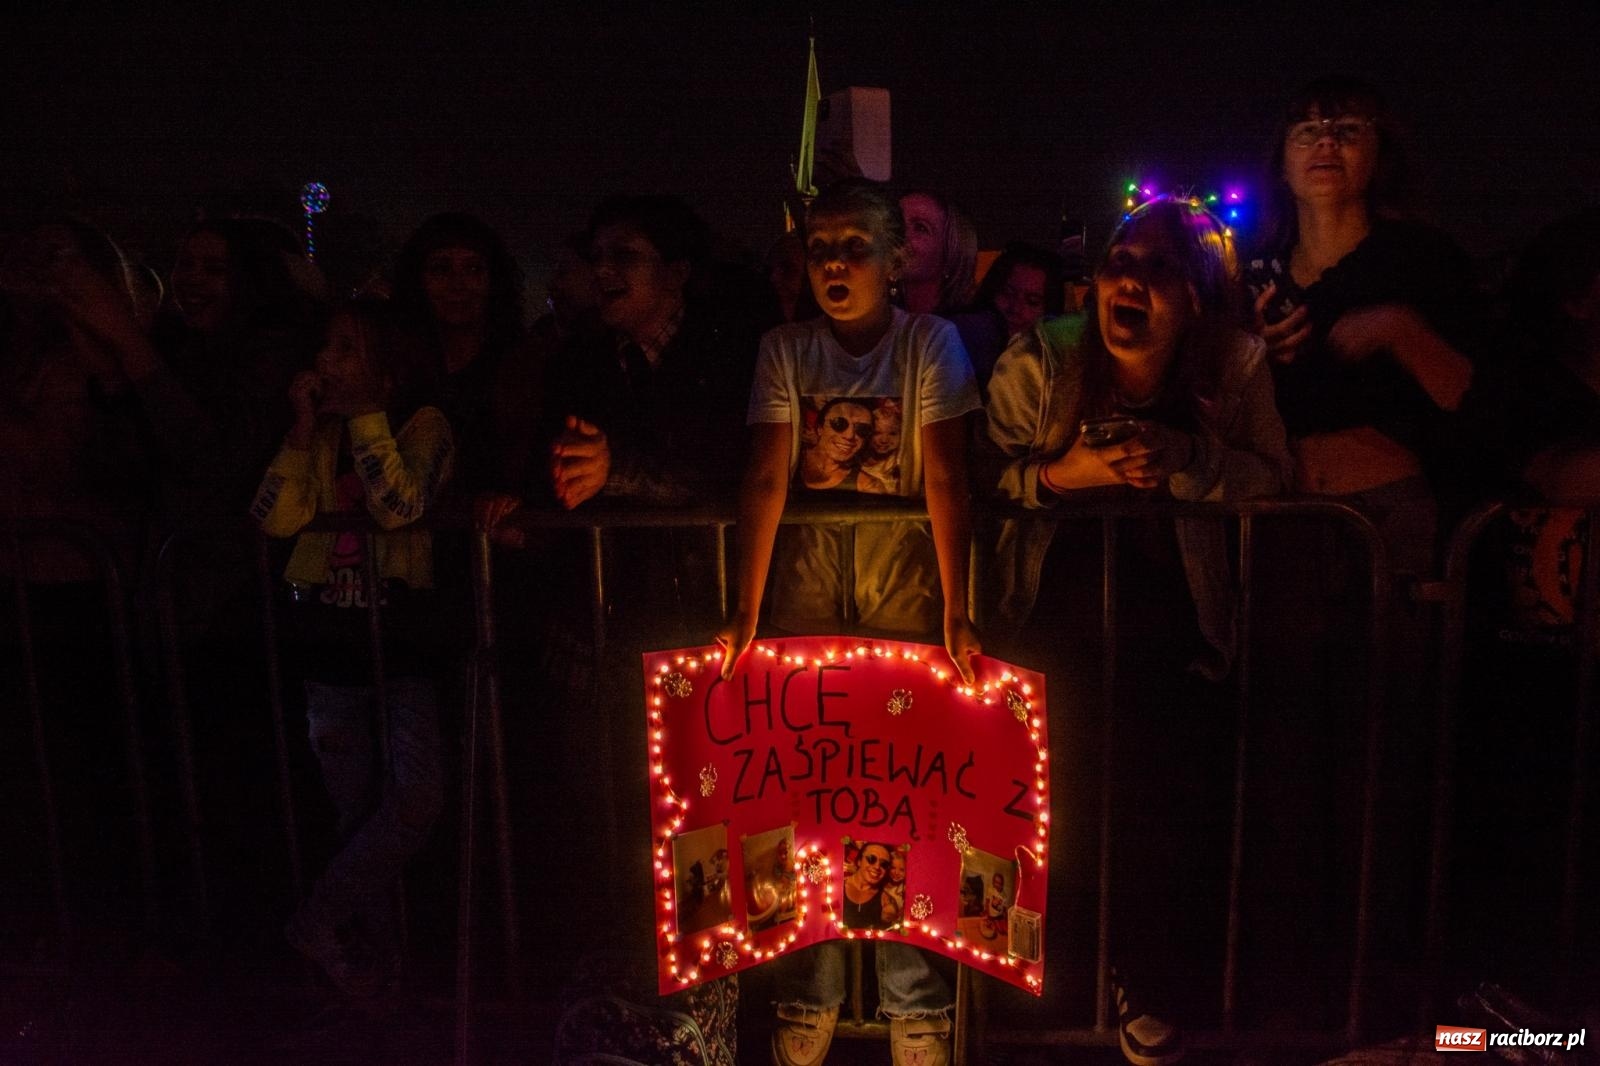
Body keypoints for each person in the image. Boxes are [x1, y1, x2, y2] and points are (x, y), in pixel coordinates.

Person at [983, 196, 1290, 1066]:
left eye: (1159, 268)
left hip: (1173, 626)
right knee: (1052, 806)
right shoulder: (1041, 358)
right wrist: (1061, 475)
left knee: (1161, 812)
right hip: (1049, 618)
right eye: (1121, 260)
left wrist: (1191, 461)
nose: (1131, 280)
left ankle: (1149, 982)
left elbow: (1274, 476)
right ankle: (1048, 983)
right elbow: (977, 476)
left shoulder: (1234, 364)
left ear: (1196, 296)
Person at [715, 177, 981, 1066]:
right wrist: (746, 608)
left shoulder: (930, 343)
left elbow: (947, 476)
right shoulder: (785, 348)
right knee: (808, 796)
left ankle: (913, 997)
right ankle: (811, 985)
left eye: (854, 248)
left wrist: (959, 610)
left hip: (903, 595)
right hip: (806, 595)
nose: (834, 264)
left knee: (896, 799)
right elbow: (767, 475)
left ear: (895, 259)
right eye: (820, 248)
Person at [250, 298, 453, 998]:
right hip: (330, 648)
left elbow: (399, 506)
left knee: (416, 797)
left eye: (346, 350)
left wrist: (368, 415)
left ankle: (318, 920)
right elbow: (275, 520)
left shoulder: (424, 425)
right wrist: (303, 431)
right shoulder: (323, 435)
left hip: (402, 646)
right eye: (326, 348)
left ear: (388, 370)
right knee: (355, 810)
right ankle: (371, 965)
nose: (326, 362)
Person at [1248, 74, 1482, 567]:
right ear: (1282, 166)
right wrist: (1249, 348)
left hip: (1391, 512)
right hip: (1282, 513)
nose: (1326, 142)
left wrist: (1400, 330)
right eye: (1306, 131)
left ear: (1380, 156)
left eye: (1348, 129)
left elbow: (1472, 393)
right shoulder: (1257, 273)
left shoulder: (1423, 259)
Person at [840, 842, 895, 931]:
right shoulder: (836, 888)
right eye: (871, 859)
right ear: (859, 861)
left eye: (884, 864)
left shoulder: (886, 902)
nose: (877, 867)